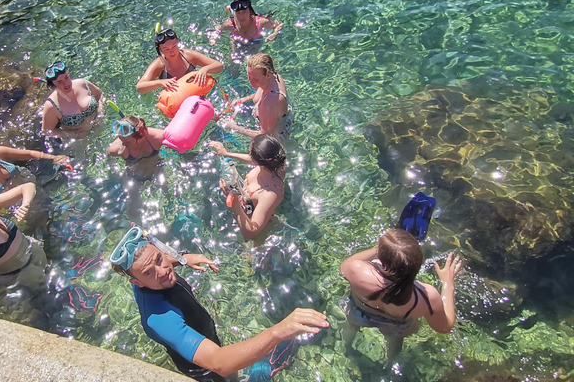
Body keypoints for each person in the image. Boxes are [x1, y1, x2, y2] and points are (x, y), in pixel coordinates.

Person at [109, 226, 330, 381]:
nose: (163, 271)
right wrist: (277, 332)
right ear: (136, 282)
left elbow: (153, 264)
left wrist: (183, 258)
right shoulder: (159, 319)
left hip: (200, 329)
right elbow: (219, 362)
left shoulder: (149, 274)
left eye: (160, 258)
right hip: (206, 370)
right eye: (149, 272)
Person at [339, 229, 463, 360]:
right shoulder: (425, 297)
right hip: (397, 326)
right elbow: (444, 327)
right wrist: (448, 284)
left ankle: (343, 352)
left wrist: (379, 249)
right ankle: (389, 365)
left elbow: (344, 266)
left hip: (359, 312)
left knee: (349, 328)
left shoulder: (358, 271)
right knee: (394, 347)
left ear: (381, 257)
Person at [209, 135, 286, 241]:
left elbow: (250, 234)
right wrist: (226, 153)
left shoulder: (269, 194)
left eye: (250, 153)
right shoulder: (274, 165)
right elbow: (252, 159)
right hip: (247, 204)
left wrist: (234, 200)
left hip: (255, 227)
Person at [221, 53, 293, 140]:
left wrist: (236, 128)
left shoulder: (269, 103)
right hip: (281, 116)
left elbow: (265, 135)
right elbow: (260, 93)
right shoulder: (273, 78)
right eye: (248, 76)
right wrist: (244, 99)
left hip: (277, 135)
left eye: (255, 79)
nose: (250, 81)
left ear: (268, 75)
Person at [136, 28, 223, 93]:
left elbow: (219, 66)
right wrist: (160, 82)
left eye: (174, 46)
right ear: (160, 50)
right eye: (166, 49)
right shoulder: (159, 64)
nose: (172, 51)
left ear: (177, 41)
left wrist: (205, 69)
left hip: (195, 93)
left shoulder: (189, 56)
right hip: (176, 98)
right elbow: (139, 87)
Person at [41, 61, 104, 139]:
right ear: (53, 85)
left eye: (66, 77)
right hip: (80, 141)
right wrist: (72, 134)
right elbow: (47, 131)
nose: (66, 83)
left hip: (101, 128)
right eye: (59, 82)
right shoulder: (52, 105)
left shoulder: (83, 84)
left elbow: (100, 94)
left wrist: (100, 110)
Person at [215, 0, 283, 55]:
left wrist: (274, 34)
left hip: (255, 43)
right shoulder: (231, 24)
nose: (242, 16)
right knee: (233, 65)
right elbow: (218, 28)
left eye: (244, 12)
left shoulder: (260, 22)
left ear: (250, 11)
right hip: (237, 43)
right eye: (238, 13)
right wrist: (214, 38)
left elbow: (279, 24)